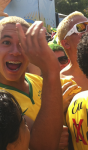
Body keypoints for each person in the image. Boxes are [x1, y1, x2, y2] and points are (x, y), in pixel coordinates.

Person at [0, 16, 63, 150]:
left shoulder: (42, 82)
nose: (15, 52)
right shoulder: (2, 99)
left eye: (23, 44)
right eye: (6, 42)